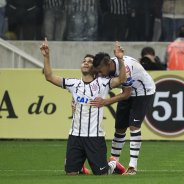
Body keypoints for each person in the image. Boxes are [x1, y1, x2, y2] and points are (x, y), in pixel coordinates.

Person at [40, 38, 127, 175]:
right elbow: (49, 77)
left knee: (101, 173)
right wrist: (46, 56)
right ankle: (78, 166)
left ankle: (113, 164)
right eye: (84, 61)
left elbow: (122, 79)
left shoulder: (102, 83)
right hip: (75, 135)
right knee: (70, 173)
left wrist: (120, 59)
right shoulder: (73, 84)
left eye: (89, 61)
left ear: (95, 68)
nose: (86, 63)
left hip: (94, 137)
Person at [91, 48, 156, 175]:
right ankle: (114, 162)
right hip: (128, 92)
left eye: (100, 70)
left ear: (108, 63)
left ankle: (132, 166)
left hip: (143, 92)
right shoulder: (106, 68)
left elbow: (126, 94)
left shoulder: (125, 68)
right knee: (120, 128)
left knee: (134, 126)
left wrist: (106, 102)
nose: (100, 73)